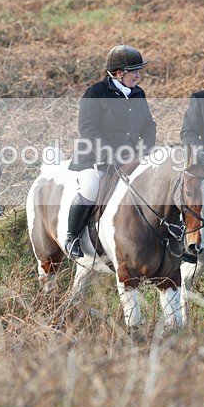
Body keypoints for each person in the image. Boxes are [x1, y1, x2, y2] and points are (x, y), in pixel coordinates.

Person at [64, 44, 157, 259]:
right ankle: (72, 237)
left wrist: (146, 149)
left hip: (130, 159)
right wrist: (108, 154)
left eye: (138, 71)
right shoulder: (95, 92)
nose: (138, 76)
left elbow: (149, 126)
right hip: (95, 159)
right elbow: (88, 127)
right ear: (119, 73)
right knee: (90, 189)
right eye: (135, 71)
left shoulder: (138, 93)